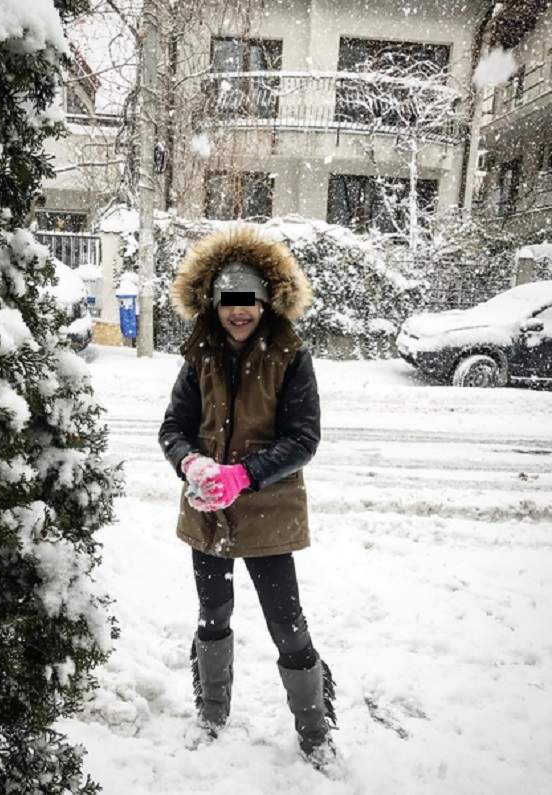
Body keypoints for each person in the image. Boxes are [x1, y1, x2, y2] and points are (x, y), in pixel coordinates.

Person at [158, 226, 336, 766]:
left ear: (265, 301)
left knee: (287, 623)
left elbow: (303, 440)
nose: (239, 314)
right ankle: (211, 714)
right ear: (213, 304)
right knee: (212, 615)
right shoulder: (200, 355)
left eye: (249, 302)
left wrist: (244, 475)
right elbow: (173, 427)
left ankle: (315, 731)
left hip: (269, 514)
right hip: (207, 514)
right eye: (229, 303)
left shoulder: (291, 356)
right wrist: (189, 461)